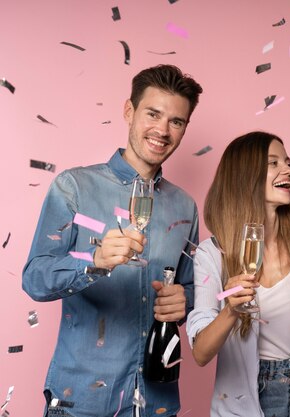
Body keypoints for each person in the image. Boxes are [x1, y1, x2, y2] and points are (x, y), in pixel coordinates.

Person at [22, 64, 203, 417]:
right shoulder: (73, 188)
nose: (162, 131)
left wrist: (186, 300)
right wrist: (94, 261)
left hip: (156, 403)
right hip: (82, 403)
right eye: (153, 114)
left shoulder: (185, 206)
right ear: (129, 111)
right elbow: (35, 278)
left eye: (176, 122)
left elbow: (193, 289)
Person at [186, 131, 290, 417]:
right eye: (274, 163)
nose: (289, 170)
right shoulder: (213, 254)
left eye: (288, 162)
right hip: (253, 392)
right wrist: (231, 311)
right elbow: (200, 353)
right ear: (245, 175)